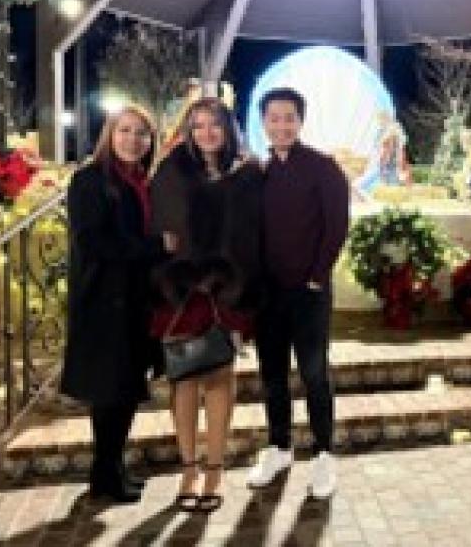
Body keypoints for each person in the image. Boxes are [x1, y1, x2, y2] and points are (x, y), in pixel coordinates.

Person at [149, 98, 264, 513]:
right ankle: (188, 470)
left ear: (228, 129)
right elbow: (162, 228)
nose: (206, 133)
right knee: (183, 380)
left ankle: (215, 470)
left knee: (219, 377)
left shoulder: (248, 172)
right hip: (181, 290)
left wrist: (230, 279)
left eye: (214, 125)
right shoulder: (172, 168)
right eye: (197, 126)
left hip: (227, 290)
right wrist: (183, 274)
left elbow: (253, 234)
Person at [60, 105, 177, 503]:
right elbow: (94, 242)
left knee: (124, 391)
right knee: (111, 393)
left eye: (142, 133)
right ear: (110, 134)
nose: (133, 139)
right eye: (125, 130)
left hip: (134, 302)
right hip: (105, 303)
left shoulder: (141, 181)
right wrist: (155, 247)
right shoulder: (90, 181)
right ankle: (105, 474)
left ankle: (110, 470)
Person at [246, 87, 350, 499]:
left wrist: (316, 275)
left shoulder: (323, 168)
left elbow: (336, 226)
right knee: (272, 378)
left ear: (300, 121)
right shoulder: (259, 171)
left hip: (308, 292)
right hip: (268, 295)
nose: (282, 125)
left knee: (314, 375)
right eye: (274, 118)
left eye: (289, 117)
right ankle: (279, 447)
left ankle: (324, 454)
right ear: (264, 123)